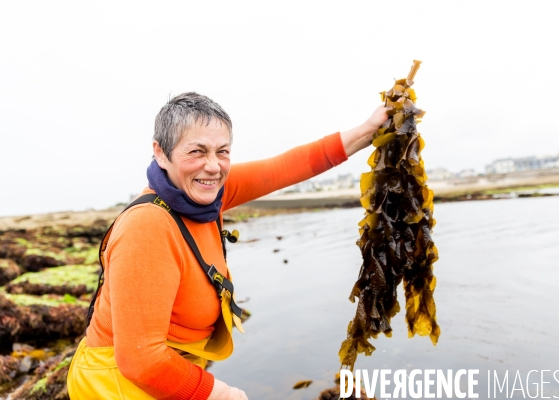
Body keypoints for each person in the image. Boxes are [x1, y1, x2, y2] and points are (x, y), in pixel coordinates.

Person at [67, 92, 388, 399]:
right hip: (119, 385)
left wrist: (368, 130)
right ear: (160, 152)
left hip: (168, 370)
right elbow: (141, 361)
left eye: (223, 151)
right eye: (196, 151)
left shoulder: (208, 192)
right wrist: (219, 393)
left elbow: (288, 166)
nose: (213, 166)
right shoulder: (147, 226)